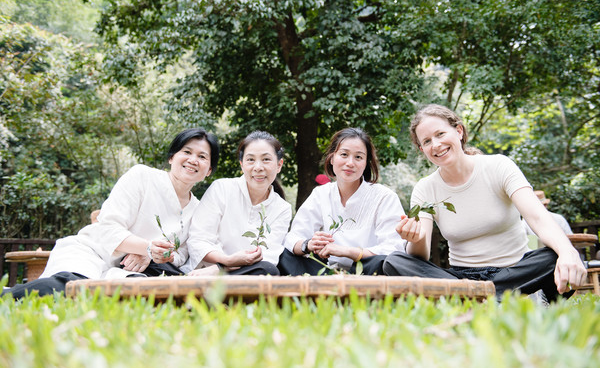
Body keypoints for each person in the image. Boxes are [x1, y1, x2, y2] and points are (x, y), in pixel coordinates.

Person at [383, 104, 586, 301]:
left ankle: (472, 297)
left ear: (459, 131)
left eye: (440, 134)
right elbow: (421, 255)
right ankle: (486, 295)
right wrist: (416, 238)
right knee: (394, 261)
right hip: (461, 277)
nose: (435, 144)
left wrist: (567, 251)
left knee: (553, 256)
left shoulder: (499, 166)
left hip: (513, 272)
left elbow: (538, 217)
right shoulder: (424, 188)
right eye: (426, 141)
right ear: (422, 149)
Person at [2, 128, 220, 299]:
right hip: (94, 252)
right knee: (69, 288)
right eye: (187, 152)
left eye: (202, 157)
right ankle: (8, 296)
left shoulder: (199, 210)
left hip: (131, 271)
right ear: (172, 157)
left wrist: (162, 255)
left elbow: (183, 253)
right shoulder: (142, 176)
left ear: (208, 171)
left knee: (119, 297)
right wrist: (145, 247)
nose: (193, 160)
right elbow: (107, 227)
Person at [278, 127, 407, 276]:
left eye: (358, 157)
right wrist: (308, 244)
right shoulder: (321, 194)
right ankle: (324, 288)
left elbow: (394, 248)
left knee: (385, 262)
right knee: (285, 256)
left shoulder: (384, 197)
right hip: (326, 270)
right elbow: (293, 237)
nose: (350, 163)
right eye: (344, 154)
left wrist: (347, 252)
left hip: (366, 270)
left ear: (366, 162)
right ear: (332, 158)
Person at [186, 131, 292, 276]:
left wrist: (222, 268)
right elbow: (199, 240)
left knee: (268, 270)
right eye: (250, 160)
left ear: (279, 165)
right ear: (242, 164)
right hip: (205, 272)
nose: (258, 167)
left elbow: (268, 255)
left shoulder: (282, 208)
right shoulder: (222, 189)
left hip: (245, 272)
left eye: (266, 159)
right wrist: (226, 261)